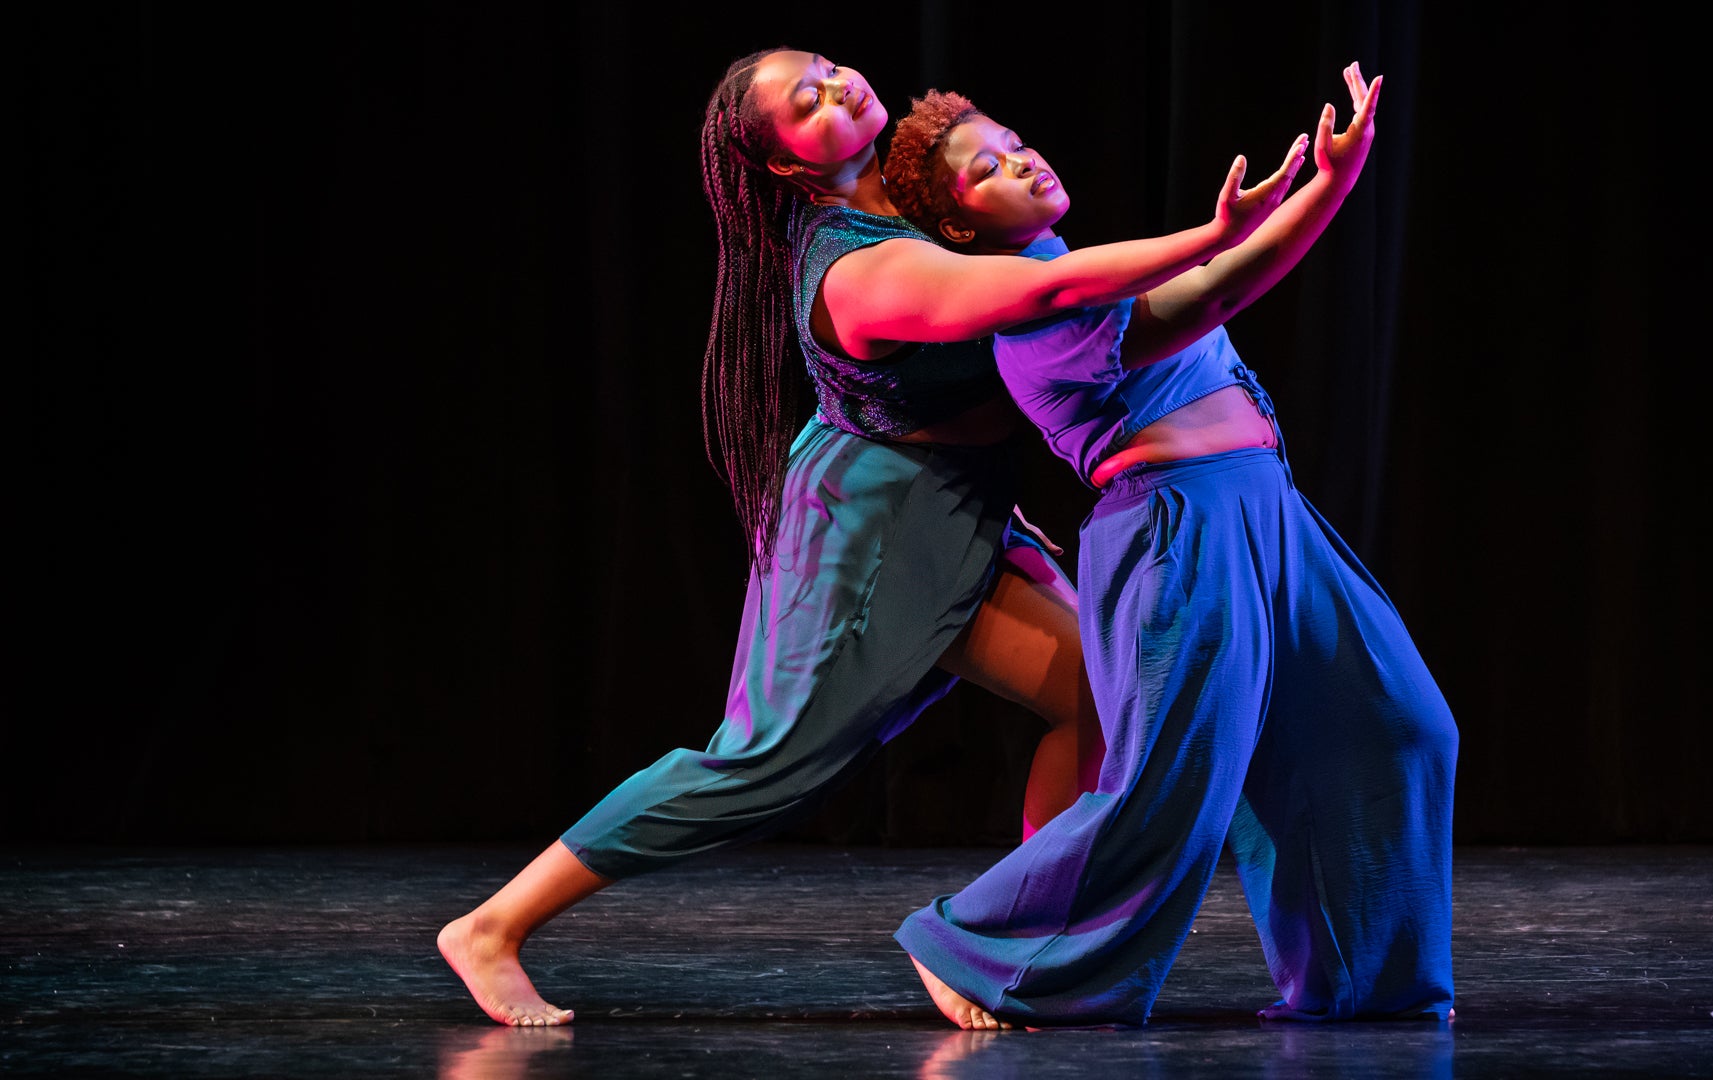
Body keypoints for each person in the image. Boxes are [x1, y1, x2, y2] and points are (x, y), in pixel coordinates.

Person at [438, 46, 1298, 1027]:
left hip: (953, 494)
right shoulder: (859, 271)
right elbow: (1041, 297)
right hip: (870, 529)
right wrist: (1214, 239)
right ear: (787, 165)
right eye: (808, 103)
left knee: (1104, 696)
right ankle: (493, 927)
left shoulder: (914, 178)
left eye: (827, 68)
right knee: (760, 768)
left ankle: (1003, 943)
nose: (839, 86)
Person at [881, 65, 1458, 1029]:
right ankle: (974, 950)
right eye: (988, 168)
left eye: (1013, 141)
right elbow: (1209, 296)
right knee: (1168, 786)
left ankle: (1362, 983)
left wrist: (1328, 178)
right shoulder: (1034, 312)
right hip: (1176, 533)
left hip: (1271, 514)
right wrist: (1332, 188)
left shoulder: (1095, 265)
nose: (1021, 159)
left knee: (1394, 724)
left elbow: (1205, 279)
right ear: (958, 228)